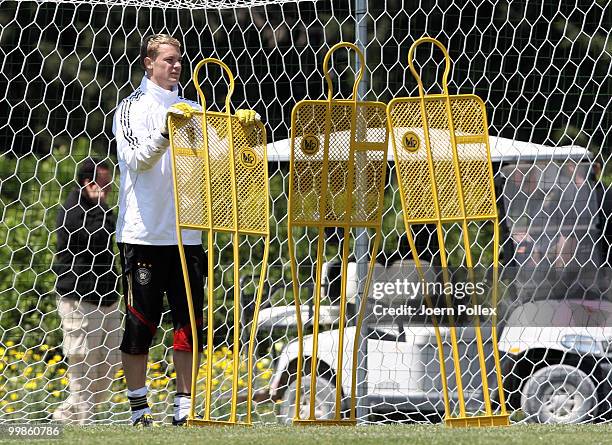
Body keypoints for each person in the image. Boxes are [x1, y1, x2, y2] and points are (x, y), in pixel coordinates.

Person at [112, 33, 259, 427]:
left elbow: (223, 160)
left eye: (180, 61)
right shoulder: (130, 108)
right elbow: (136, 159)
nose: (176, 66)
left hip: (188, 234)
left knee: (188, 327)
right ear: (148, 63)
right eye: (169, 60)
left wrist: (243, 134)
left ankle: (184, 410)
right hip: (143, 235)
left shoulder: (195, 110)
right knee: (140, 325)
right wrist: (165, 130)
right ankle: (139, 410)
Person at [53, 157, 122, 424]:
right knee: (83, 361)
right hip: (78, 297)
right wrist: (102, 205)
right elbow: (98, 235)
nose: (105, 190)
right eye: (100, 184)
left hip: (107, 296)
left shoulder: (102, 209)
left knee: (112, 360)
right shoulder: (72, 211)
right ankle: (85, 422)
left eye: (107, 185)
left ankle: (65, 415)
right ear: (86, 183)